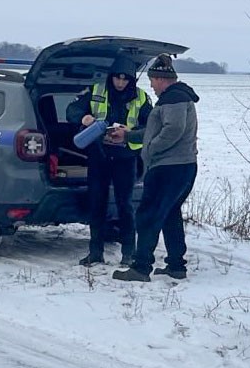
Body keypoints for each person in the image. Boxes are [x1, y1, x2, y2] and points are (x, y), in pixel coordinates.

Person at [111, 54, 199, 282]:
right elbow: (156, 129)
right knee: (170, 214)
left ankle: (141, 268)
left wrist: (149, 149)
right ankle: (176, 266)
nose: (150, 85)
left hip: (169, 167)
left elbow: (173, 130)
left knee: (148, 215)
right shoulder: (176, 98)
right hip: (182, 166)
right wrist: (129, 134)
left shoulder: (174, 98)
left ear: (161, 79)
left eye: (152, 80)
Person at [67, 69, 152, 266]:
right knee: (97, 204)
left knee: (126, 206)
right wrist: (84, 118)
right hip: (99, 155)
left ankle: (129, 254)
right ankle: (95, 253)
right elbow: (72, 109)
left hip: (126, 157)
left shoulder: (141, 97)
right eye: (117, 78)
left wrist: (130, 132)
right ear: (111, 77)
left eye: (125, 79)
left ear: (131, 80)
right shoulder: (96, 91)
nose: (120, 83)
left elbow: (151, 125)